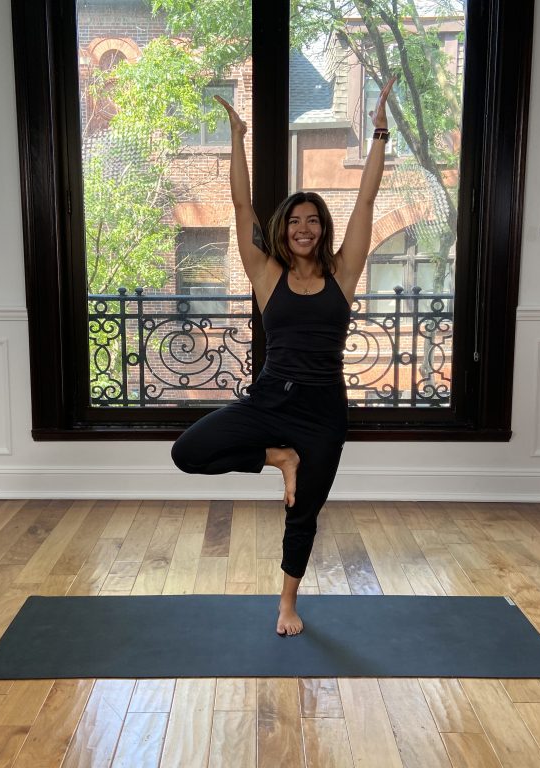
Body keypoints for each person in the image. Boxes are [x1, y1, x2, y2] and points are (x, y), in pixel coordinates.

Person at [171, 76, 397, 636]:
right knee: (188, 451)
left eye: (312, 220)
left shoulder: (343, 275)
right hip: (270, 401)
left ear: (322, 231)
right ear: (284, 230)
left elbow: (367, 198)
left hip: (323, 410)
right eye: (294, 220)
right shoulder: (265, 275)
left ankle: (287, 604)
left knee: (304, 513)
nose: (302, 227)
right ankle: (279, 459)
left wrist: (379, 130)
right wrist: (237, 137)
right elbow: (242, 201)